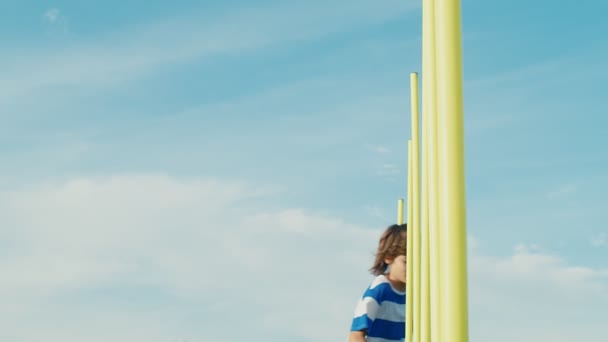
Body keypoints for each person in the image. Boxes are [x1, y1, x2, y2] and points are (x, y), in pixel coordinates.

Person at [348, 223, 407, 342]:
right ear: (389, 257)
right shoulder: (380, 289)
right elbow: (355, 336)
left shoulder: (413, 295)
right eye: (406, 262)